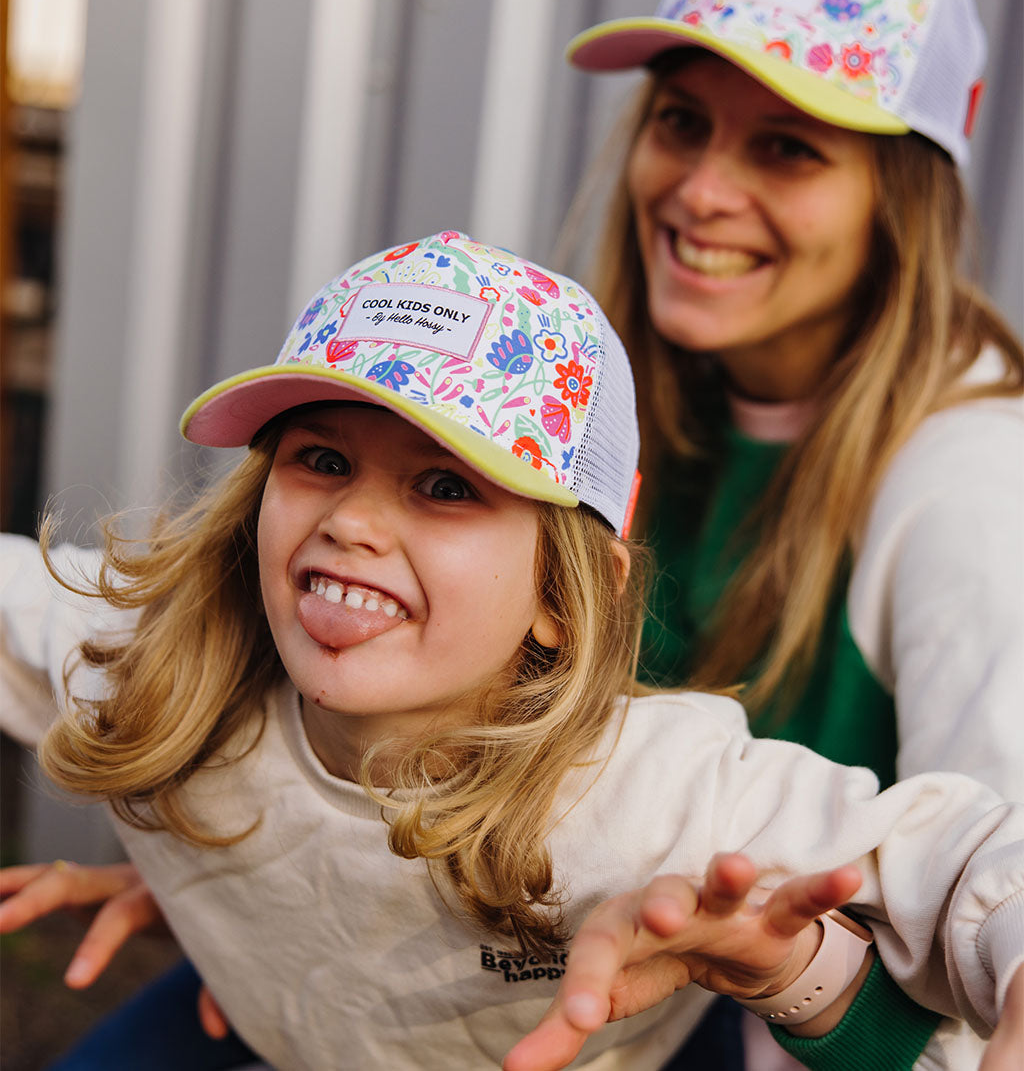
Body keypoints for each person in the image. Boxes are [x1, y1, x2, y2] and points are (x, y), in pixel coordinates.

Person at [1, 231, 1021, 1071]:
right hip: (283, 1024)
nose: (352, 520)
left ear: (561, 597)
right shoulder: (153, 666)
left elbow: (972, 849)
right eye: (321, 457)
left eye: (446, 486)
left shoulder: (650, 789)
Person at [531, 0, 1023, 1071]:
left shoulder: (972, 486)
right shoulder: (637, 396)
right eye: (682, 121)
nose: (699, 188)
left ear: (895, 203)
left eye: (786, 147)